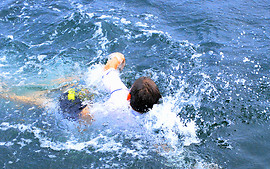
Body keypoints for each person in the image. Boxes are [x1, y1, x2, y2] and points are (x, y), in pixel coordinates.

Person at [1, 52, 162, 124]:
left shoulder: (120, 93)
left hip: (79, 113)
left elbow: (109, 68)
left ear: (129, 95)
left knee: (70, 87)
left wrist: (119, 57)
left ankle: (8, 94)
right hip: (94, 121)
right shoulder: (149, 124)